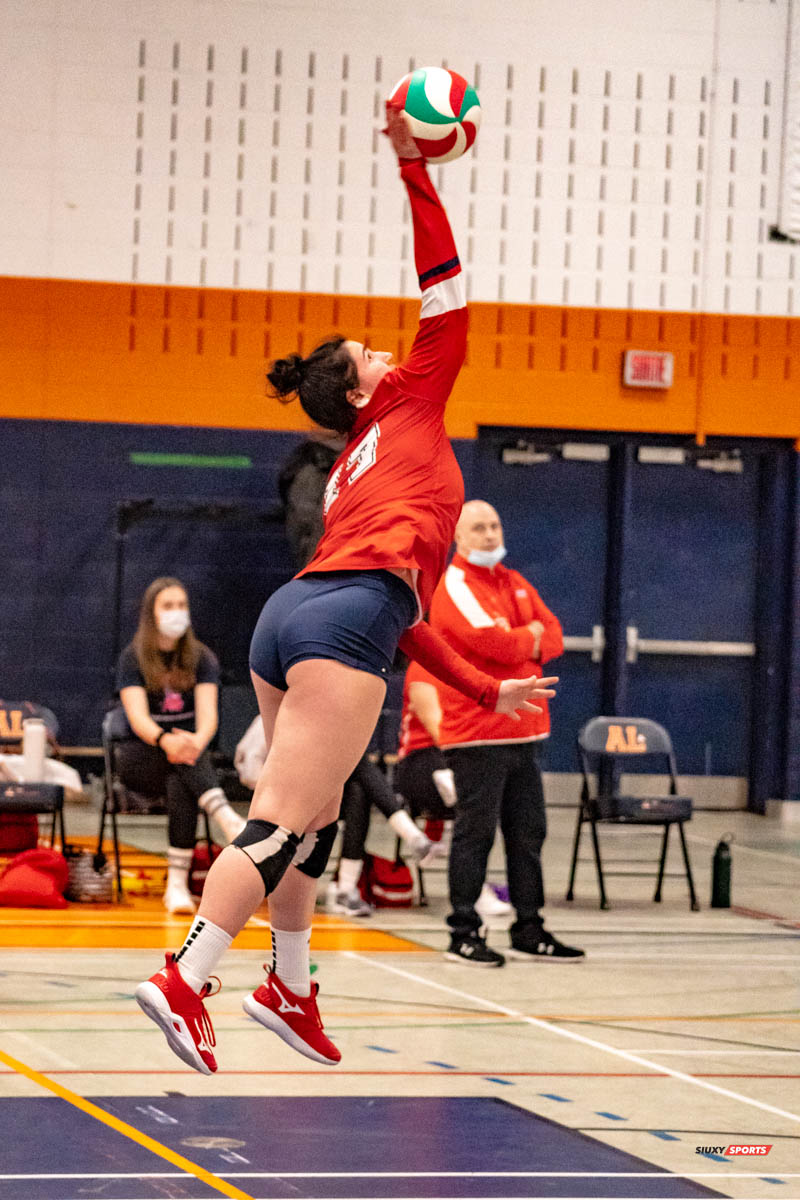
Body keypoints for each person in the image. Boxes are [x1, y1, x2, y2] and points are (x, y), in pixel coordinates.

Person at [134, 105, 557, 1076]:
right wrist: (415, 167)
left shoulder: (351, 467)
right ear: (365, 388)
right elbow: (443, 281)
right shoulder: (408, 399)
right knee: (284, 820)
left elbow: (398, 613)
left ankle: (288, 984)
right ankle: (186, 979)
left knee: (314, 816)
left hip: (299, 617)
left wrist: (480, 689)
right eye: (374, 355)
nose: (389, 354)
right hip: (341, 618)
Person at [428, 500, 584, 966]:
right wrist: (526, 639)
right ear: (458, 537)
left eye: (495, 525)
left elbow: (554, 634)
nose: (491, 535)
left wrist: (527, 640)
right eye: (479, 528)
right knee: (475, 835)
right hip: (478, 733)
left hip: (526, 733)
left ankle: (529, 927)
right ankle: (463, 931)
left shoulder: (514, 582)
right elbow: (490, 644)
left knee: (528, 833)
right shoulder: (453, 584)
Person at [116, 577, 246, 915]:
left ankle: (177, 887)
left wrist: (195, 743)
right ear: (152, 614)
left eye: (181, 605)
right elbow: (139, 720)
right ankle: (224, 815)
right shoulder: (133, 657)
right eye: (168, 606)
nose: (177, 612)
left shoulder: (202, 657)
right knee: (182, 770)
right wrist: (166, 740)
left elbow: (208, 718)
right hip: (143, 755)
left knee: (181, 783)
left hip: (188, 758)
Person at [396, 660, 511, 918]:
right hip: (421, 763)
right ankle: (473, 889)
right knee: (473, 794)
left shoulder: (470, 668)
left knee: (488, 783)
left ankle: (468, 873)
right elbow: (438, 730)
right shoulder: (422, 668)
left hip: (461, 756)